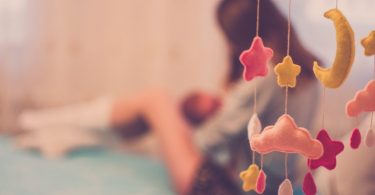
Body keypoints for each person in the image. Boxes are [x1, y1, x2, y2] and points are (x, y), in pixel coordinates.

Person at [17, 0, 321, 194]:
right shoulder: (304, 67)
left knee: (156, 101)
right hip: (268, 185)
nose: (229, 48)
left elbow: (207, 142)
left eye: (230, 40)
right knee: (159, 108)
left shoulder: (265, 75)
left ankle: (52, 125)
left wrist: (187, 123)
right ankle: (65, 133)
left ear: (243, 36)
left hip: (223, 188)